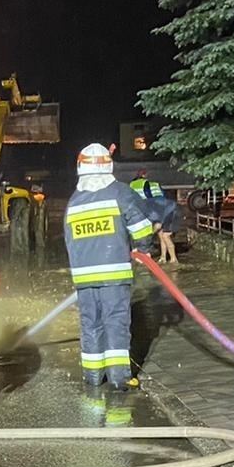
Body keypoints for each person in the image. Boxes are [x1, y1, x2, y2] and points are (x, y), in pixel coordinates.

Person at [62, 143, 154, 391]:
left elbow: (69, 240)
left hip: (83, 278)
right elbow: (141, 226)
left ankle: (92, 378)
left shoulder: (74, 200)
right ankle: (119, 379)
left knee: (90, 324)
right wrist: (143, 249)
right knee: (115, 323)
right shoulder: (119, 192)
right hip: (114, 275)